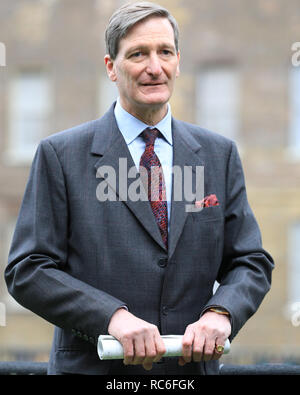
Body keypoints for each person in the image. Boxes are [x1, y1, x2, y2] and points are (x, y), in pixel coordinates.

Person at [5, 1, 274, 375]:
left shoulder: (219, 154)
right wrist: (111, 316)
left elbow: (250, 261)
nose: (154, 67)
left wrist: (221, 311)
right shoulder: (61, 155)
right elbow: (27, 269)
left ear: (178, 61)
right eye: (137, 54)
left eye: (164, 52)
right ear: (111, 67)